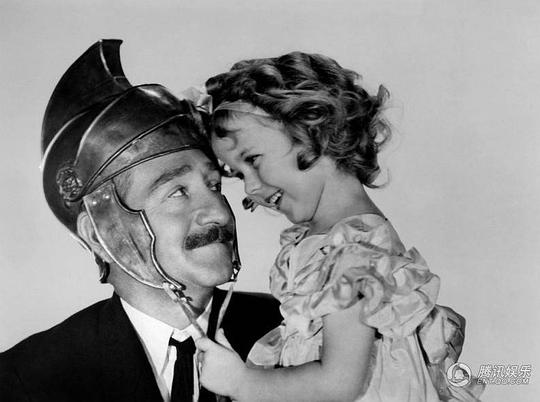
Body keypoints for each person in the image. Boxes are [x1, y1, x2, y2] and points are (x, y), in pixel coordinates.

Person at [0, 40, 281, 402]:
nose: (218, 212)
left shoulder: (296, 333)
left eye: (214, 185)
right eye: (177, 192)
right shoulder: (27, 380)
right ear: (99, 233)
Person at [195, 52, 484, 401]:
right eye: (240, 175)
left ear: (314, 131)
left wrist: (241, 383)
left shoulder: (351, 255)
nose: (252, 188)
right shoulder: (337, 242)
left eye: (253, 160)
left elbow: (339, 383)